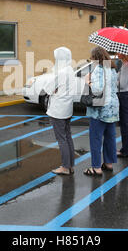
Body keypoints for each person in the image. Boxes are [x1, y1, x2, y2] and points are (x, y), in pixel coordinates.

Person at [84, 46, 119, 176]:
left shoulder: (98, 70)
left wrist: (88, 81)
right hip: (113, 107)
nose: (91, 60)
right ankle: (108, 163)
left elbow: (97, 90)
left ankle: (96, 167)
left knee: (96, 138)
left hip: (100, 109)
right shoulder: (112, 69)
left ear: (96, 58)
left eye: (91, 58)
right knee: (110, 136)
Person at [44, 47, 76, 175]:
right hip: (67, 109)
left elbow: (47, 88)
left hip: (58, 110)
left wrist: (54, 90)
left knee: (61, 139)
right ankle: (70, 165)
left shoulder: (61, 72)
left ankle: (65, 167)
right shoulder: (70, 70)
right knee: (68, 137)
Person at [116, 52, 128, 157]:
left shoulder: (127, 66)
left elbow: (122, 85)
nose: (117, 53)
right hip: (123, 95)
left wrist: (112, 79)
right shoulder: (125, 64)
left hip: (123, 96)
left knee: (125, 125)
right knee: (124, 124)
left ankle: (127, 151)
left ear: (124, 53)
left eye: (119, 52)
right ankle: (125, 149)